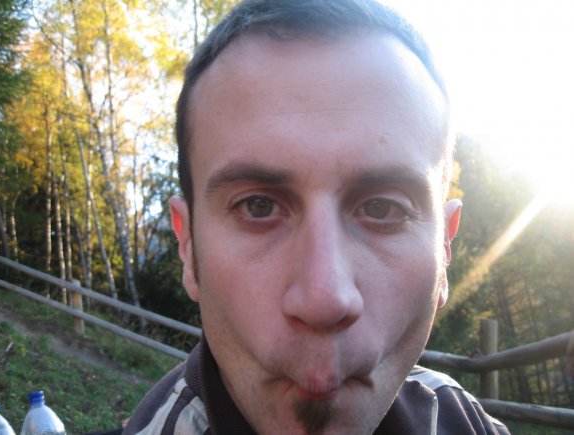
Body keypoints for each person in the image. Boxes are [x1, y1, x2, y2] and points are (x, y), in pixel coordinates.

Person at [124, 0, 510, 434]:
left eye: (382, 208)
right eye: (258, 206)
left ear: (445, 248)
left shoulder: (465, 422)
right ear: (189, 247)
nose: (324, 301)